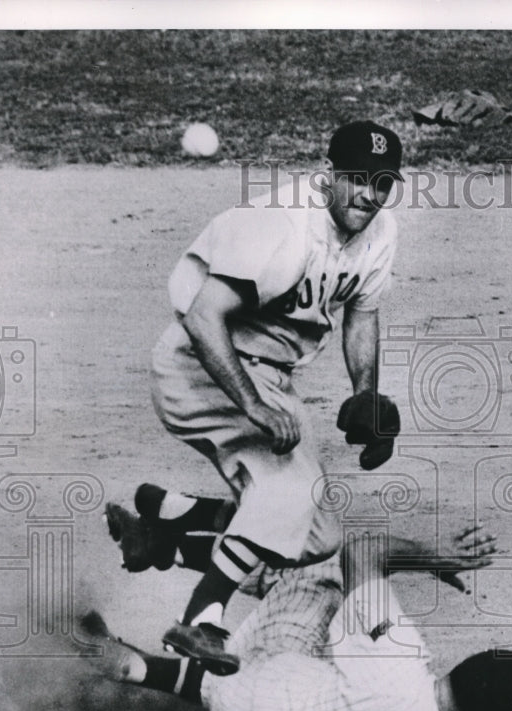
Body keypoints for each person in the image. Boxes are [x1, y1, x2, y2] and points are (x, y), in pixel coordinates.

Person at [123, 120, 404, 653]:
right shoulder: (281, 225)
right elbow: (204, 318)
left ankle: (172, 528)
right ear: (329, 176)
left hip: (266, 376)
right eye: (358, 179)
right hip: (201, 364)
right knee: (288, 493)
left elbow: (361, 316)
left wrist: (365, 395)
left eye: (383, 182)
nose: (370, 194)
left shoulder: (380, 232)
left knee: (318, 538)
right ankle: (202, 621)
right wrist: (251, 404)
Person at [85, 493, 512, 711]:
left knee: (322, 568)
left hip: (249, 679)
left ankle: (169, 542)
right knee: (314, 688)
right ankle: (145, 669)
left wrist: (431, 557)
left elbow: (362, 554)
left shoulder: (397, 661)